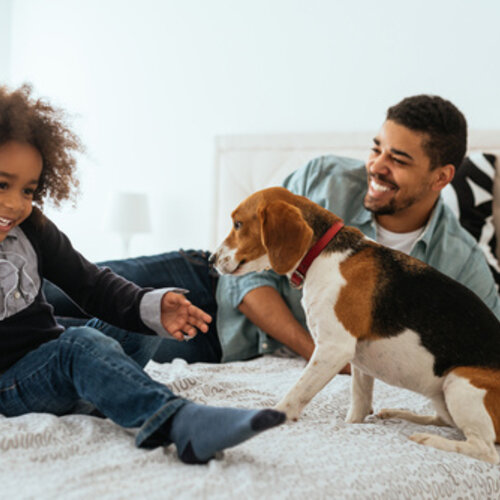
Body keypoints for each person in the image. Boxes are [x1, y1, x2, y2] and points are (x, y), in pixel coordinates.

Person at [46, 94, 500, 370]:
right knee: (56, 286)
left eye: (398, 161)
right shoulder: (323, 180)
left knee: (60, 343)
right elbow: (248, 274)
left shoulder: (459, 263)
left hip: (222, 344)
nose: (376, 167)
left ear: (441, 178)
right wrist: (319, 354)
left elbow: (486, 348)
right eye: (377, 149)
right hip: (203, 277)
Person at [0, 84, 285, 465]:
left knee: (132, 324)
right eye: (3, 184)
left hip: (48, 359)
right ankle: (180, 423)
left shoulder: (32, 227)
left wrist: (150, 307)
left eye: (29, 190)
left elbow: (92, 283)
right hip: (10, 384)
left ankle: (100, 389)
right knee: (77, 345)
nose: (15, 204)